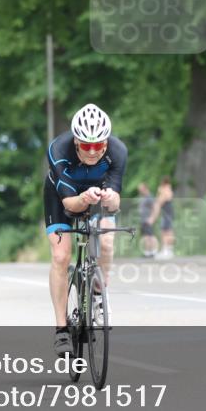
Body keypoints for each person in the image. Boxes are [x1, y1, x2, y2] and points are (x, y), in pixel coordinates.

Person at [44, 103, 127, 357]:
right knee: (61, 256)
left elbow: (115, 202)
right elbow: (70, 204)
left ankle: (99, 293)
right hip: (62, 197)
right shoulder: (58, 149)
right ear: (76, 141)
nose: (92, 152)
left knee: (107, 240)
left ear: (106, 142)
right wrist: (85, 198)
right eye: (86, 146)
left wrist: (109, 197)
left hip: (97, 194)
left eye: (98, 146)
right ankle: (61, 330)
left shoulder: (118, 151)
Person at [149, 176, 175, 258]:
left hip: (167, 214)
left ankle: (166, 251)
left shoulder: (166, 190)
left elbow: (159, 202)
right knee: (168, 231)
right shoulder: (168, 190)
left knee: (165, 232)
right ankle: (168, 250)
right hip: (168, 213)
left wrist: (160, 192)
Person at [137, 182, 158, 258]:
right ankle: (147, 252)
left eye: (141, 189)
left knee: (150, 236)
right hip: (143, 220)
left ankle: (153, 251)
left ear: (145, 188)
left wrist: (152, 218)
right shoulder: (143, 197)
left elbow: (155, 208)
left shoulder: (149, 197)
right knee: (146, 236)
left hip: (148, 220)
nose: (140, 191)